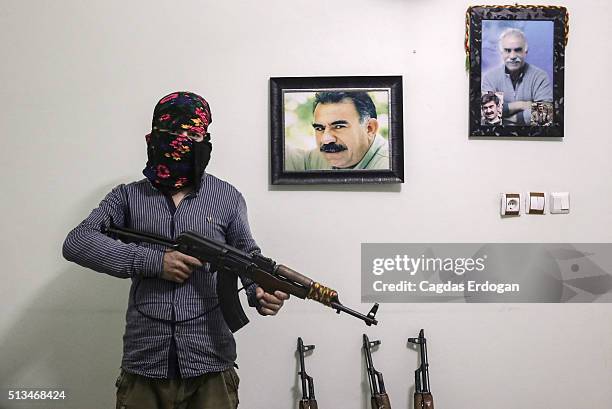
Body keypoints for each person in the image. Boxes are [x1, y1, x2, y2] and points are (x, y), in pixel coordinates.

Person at [63, 91, 289, 409]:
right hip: (145, 364)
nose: (184, 141)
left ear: (206, 138)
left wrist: (260, 291)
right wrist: (152, 261)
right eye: (173, 133)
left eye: (194, 133)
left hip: (211, 364)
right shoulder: (127, 197)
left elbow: (246, 258)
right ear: (153, 138)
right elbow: (77, 242)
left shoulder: (227, 197)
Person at [285, 91, 389, 171]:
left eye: (338, 126)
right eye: (320, 128)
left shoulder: (389, 165)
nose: (326, 139)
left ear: (370, 128)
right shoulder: (313, 160)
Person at [481, 27, 552, 125]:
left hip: (532, 138)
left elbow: (545, 114)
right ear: (501, 53)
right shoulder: (490, 78)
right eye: (507, 50)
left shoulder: (540, 77)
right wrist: (521, 105)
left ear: (525, 52)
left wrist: (510, 117)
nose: (513, 56)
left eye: (518, 50)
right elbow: (487, 113)